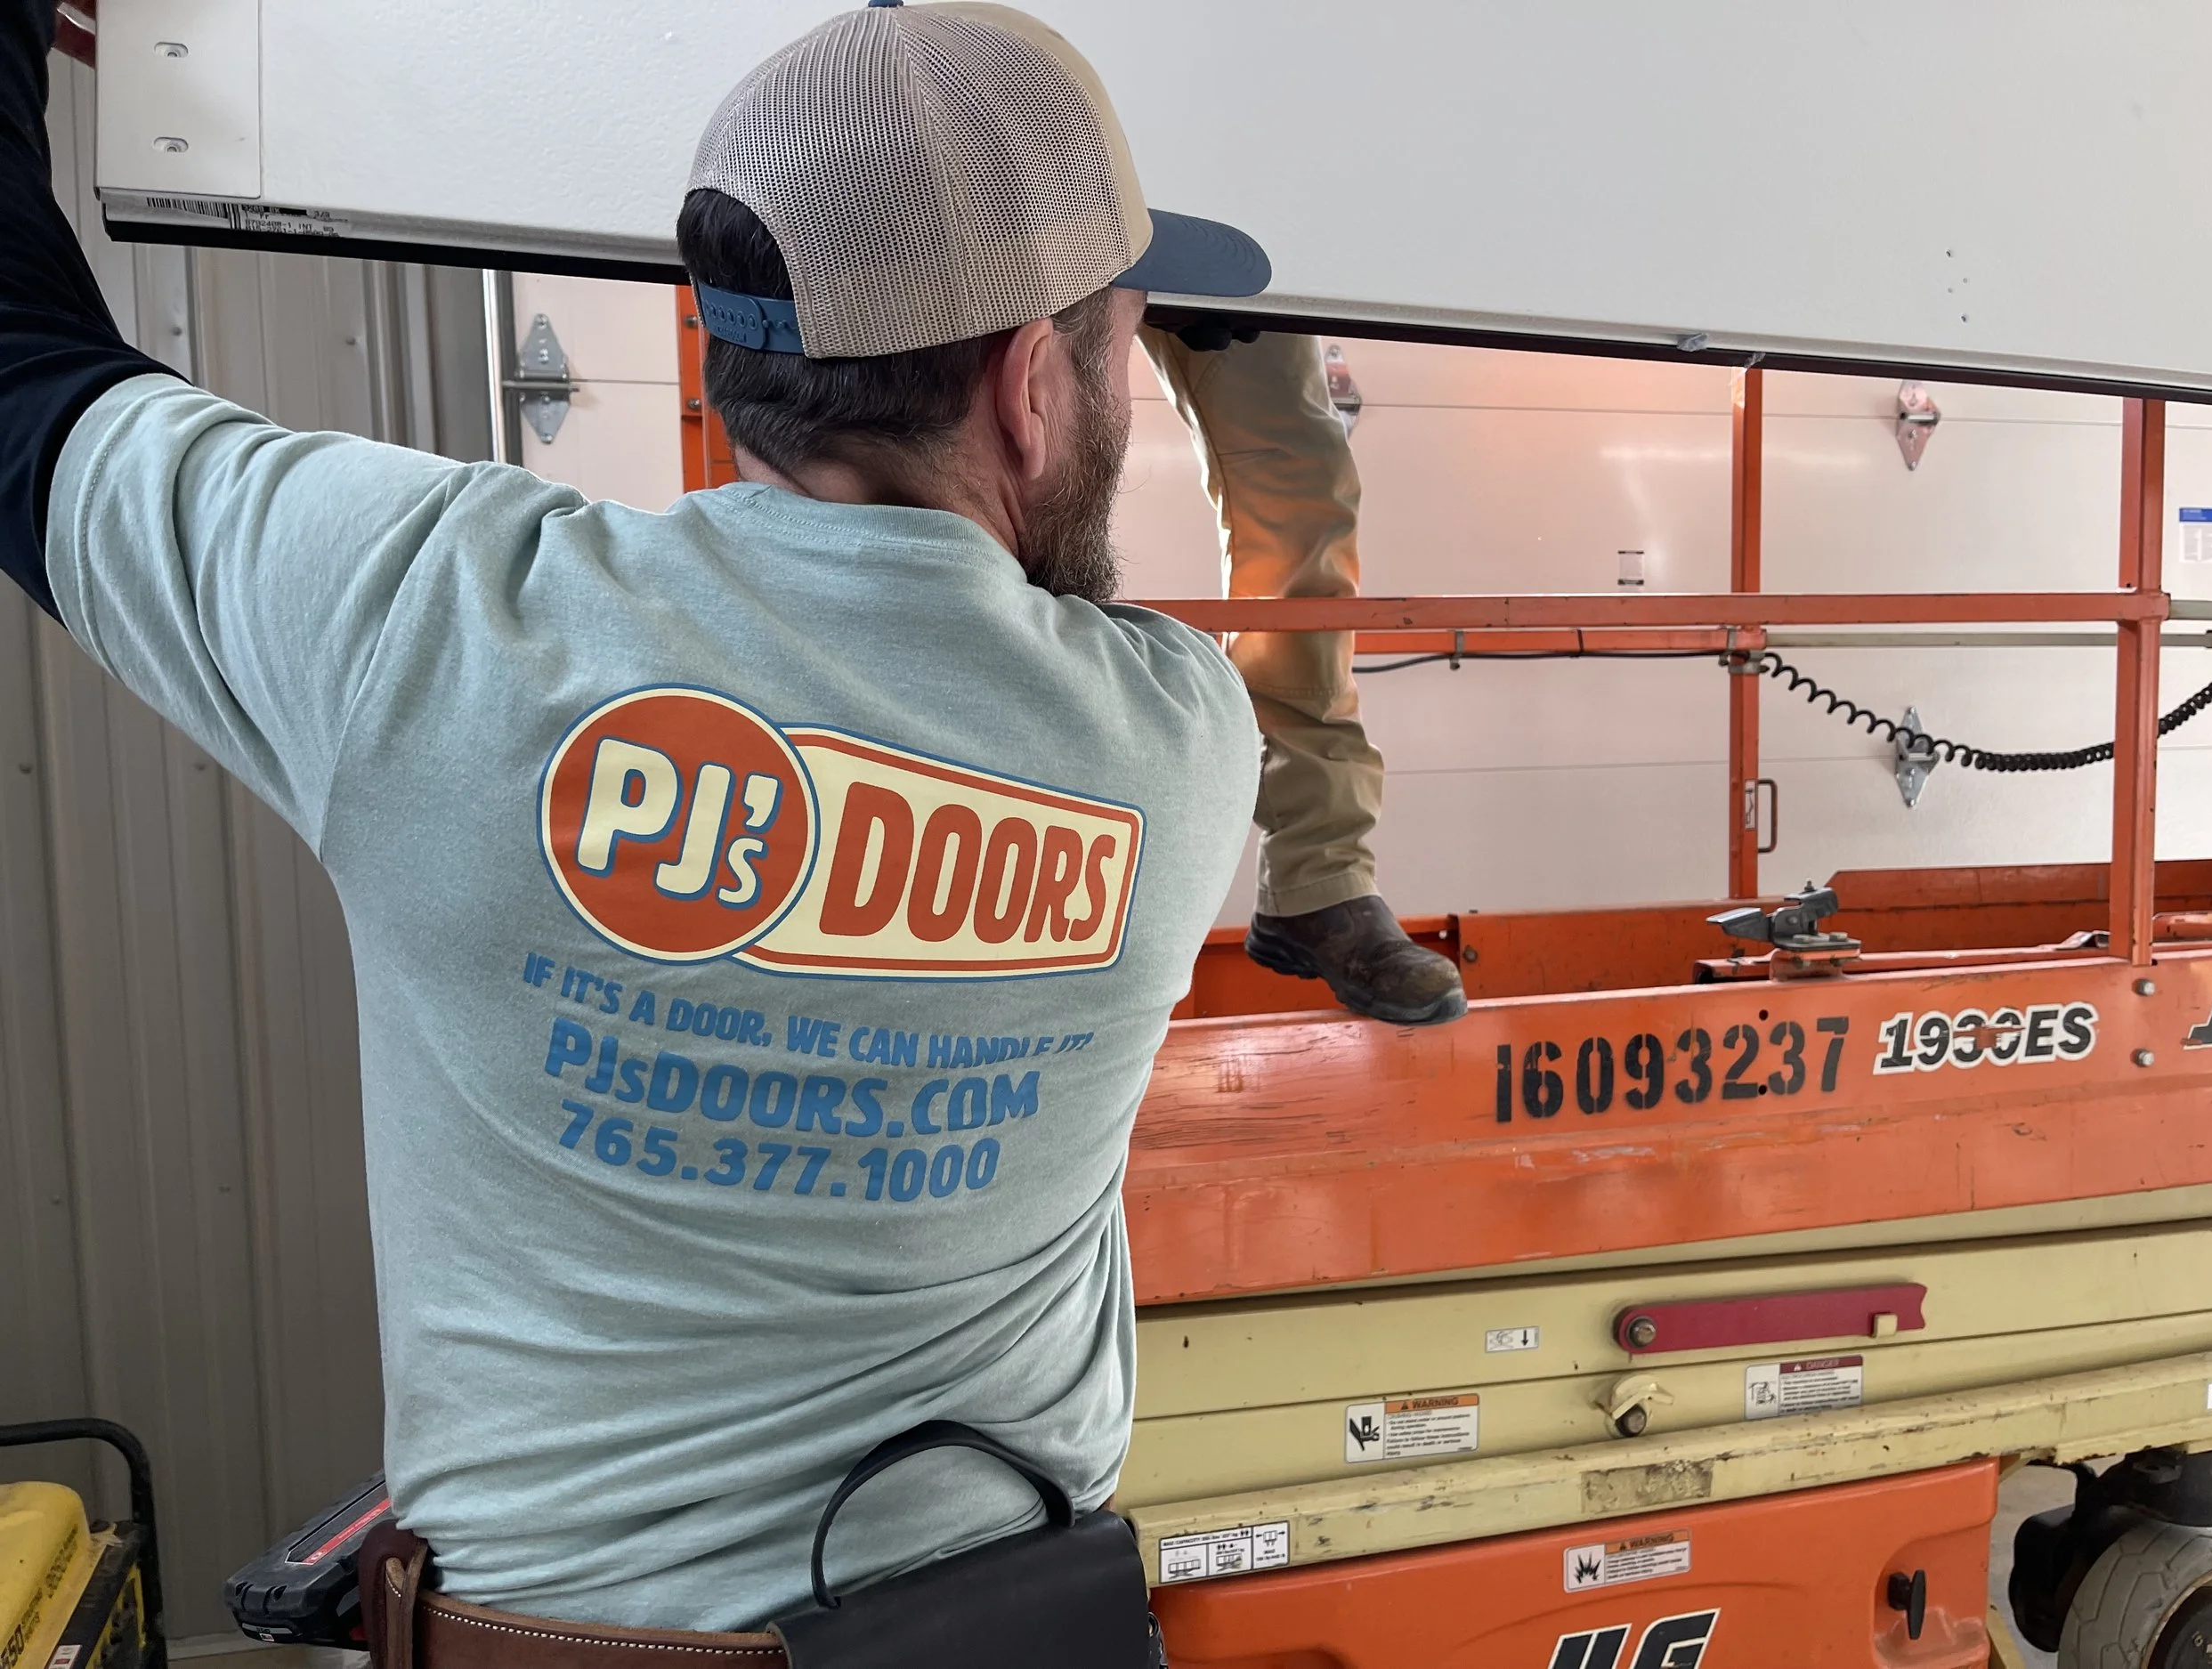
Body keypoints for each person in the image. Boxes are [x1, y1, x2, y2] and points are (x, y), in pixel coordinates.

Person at [1, 0, 1265, 1644]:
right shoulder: (1174, 743)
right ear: (1032, 388)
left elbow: (29, 388)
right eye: (1122, 344)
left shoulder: (434, 625)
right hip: (997, 1631)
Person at [1140, 328, 1467, 1025]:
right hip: (994, 219)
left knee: (1299, 472)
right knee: (993, 439)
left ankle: (1320, 874)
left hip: (1230, 223)